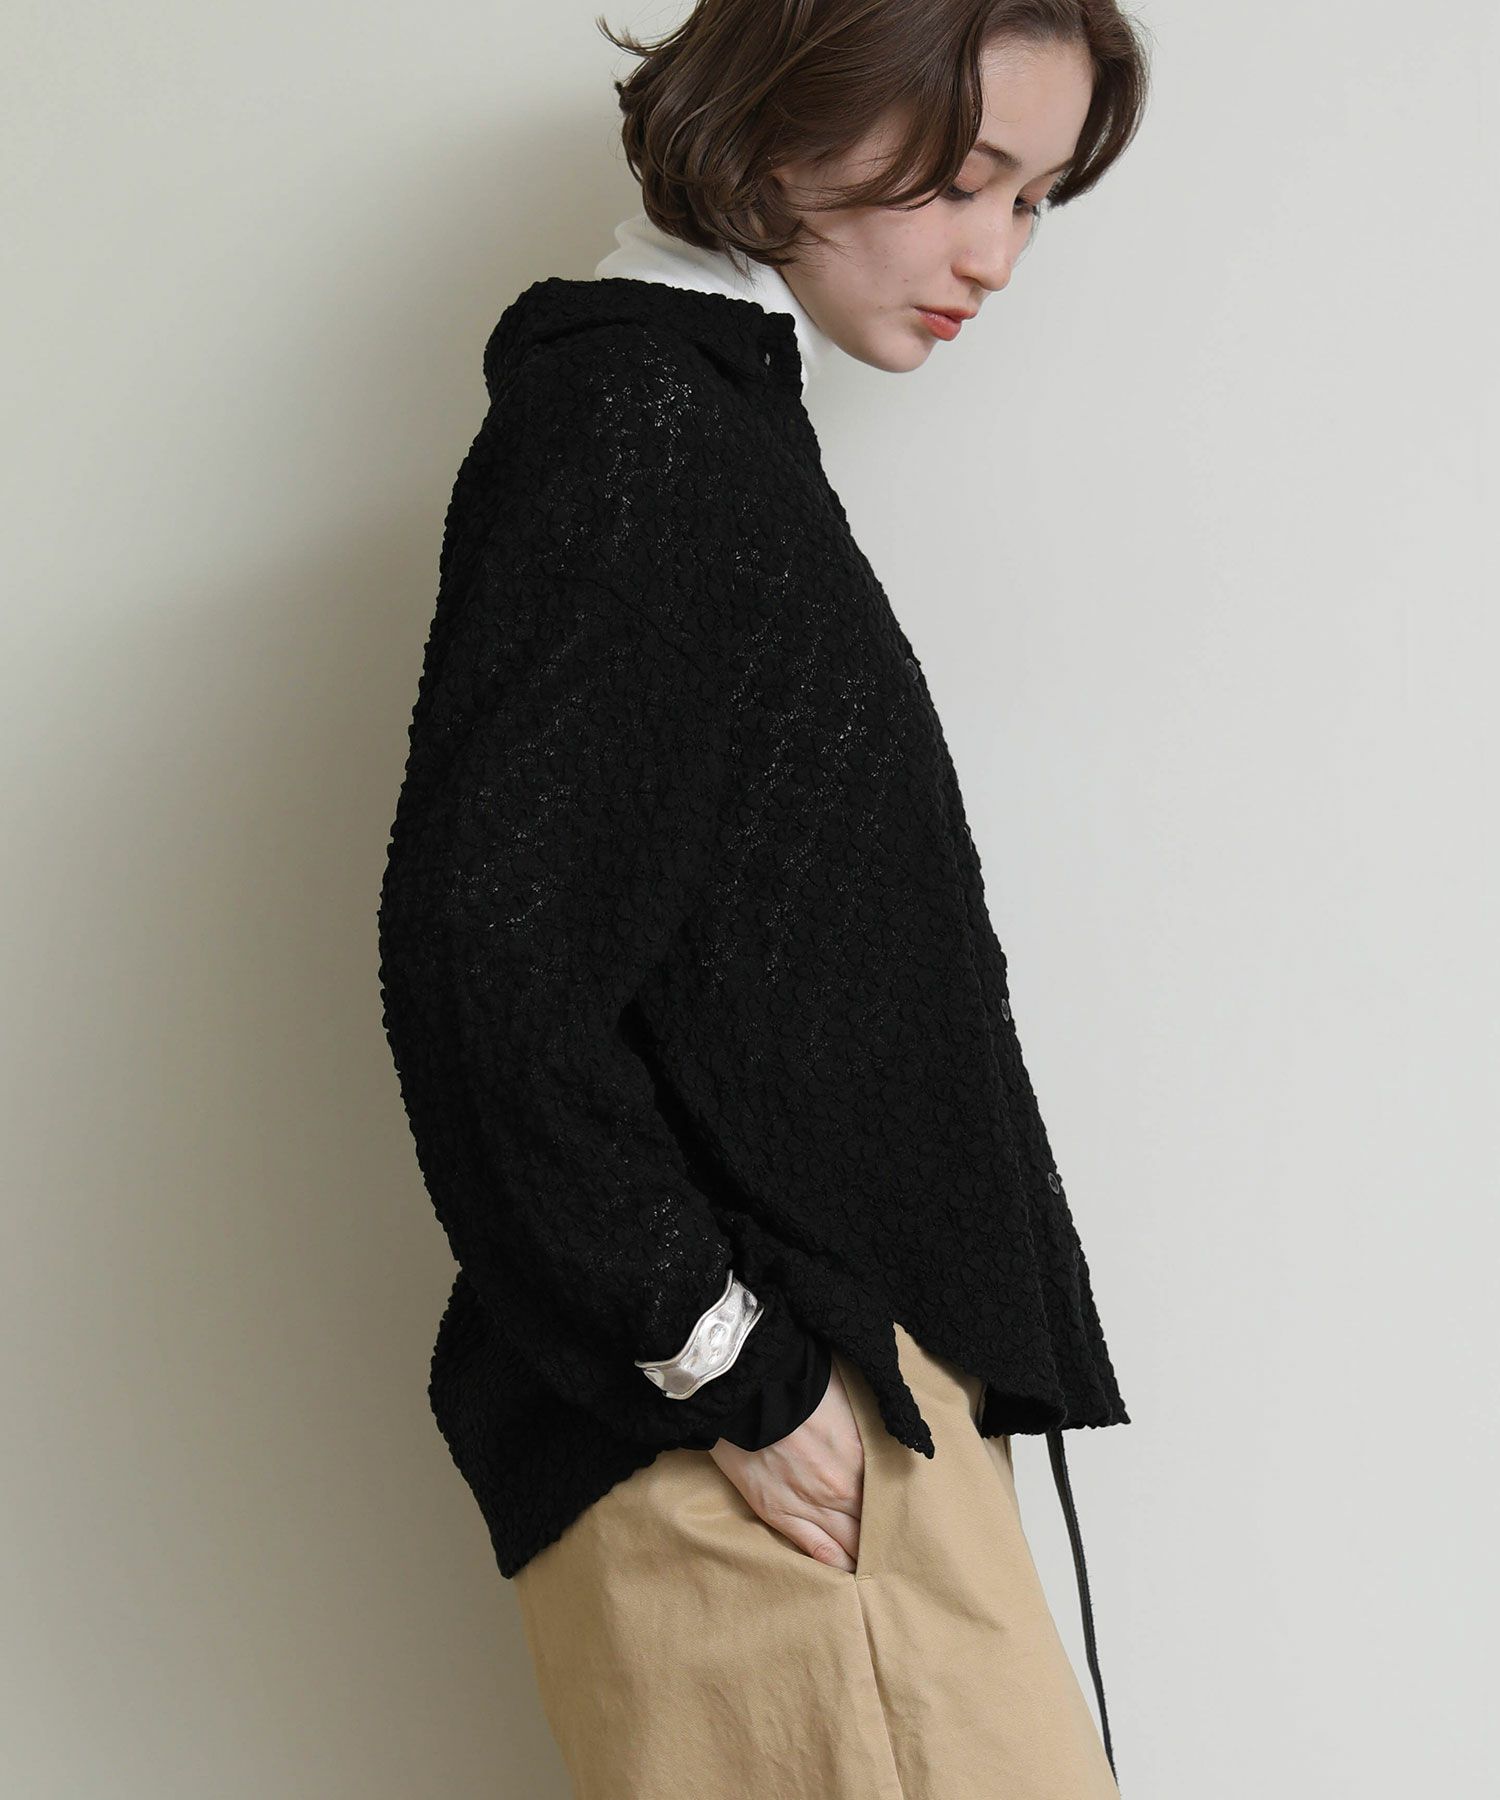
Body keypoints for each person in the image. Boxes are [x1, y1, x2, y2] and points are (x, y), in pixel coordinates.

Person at [375, 2, 1152, 1794]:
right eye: (963, 176)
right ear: (783, 116)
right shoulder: (636, 431)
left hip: (826, 1437)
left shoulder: (705, 428)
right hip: (772, 1468)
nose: (996, 256)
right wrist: (730, 1365)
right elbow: (488, 966)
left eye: (1034, 201)